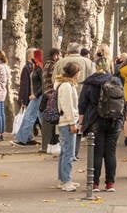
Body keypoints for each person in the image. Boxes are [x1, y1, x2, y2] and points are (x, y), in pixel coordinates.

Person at [78, 57, 123, 192]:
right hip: (114, 119)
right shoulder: (116, 80)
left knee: (96, 153)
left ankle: (94, 183)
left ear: (96, 67)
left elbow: (82, 103)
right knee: (110, 153)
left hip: (95, 119)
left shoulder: (90, 82)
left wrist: (81, 122)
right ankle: (110, 183)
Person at [53, 42, 95, 157]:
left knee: (66, 127)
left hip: (64, 98)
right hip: (84, 98)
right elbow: (94, 80)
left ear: (68, 50)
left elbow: (54, 80)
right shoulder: (88, 62)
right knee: (79, 125)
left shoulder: (60, 62)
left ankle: (68, 152)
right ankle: (73, 152)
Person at [55, 61, 81, 191]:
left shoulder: (63, 84)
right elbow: (68, 106)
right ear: (75, 73)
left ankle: (63, 179)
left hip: (65, 121)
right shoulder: (66, 86)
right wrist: (72, 122)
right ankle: (66, 180)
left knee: (65, 151)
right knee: (69, 152)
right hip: (67, 121)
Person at [13, 49, 44, 146]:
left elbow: (42, 84)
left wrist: (35, 94)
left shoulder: (38, 68)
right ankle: (24, 138)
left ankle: (22, 139)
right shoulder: (35, 67)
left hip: (36, 97)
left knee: (29, 117)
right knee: (38, 118)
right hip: (35, 96)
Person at [40, 48, 62, 153]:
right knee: (56, 120)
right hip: (53, 93)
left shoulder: (46, 65)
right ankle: (54, 143)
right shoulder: (53, 65)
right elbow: (57, 79)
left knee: (53, 120)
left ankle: (51, 144)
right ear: (55, 55)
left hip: (47, 93)